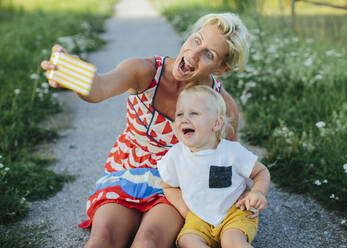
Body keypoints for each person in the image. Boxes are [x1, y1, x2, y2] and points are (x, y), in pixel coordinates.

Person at [41, 13, 251, 248]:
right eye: (197, 40)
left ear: (221, 69)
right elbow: (99, 88)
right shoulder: (144, 70)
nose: (193, 54)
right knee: (103, 238)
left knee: (148, 240)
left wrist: (228, 212)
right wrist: (74, 74)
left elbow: (227, 160)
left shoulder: (221, 104)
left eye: (209, 55)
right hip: (127, 170)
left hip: (176, 185)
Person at [157, 85, 270, 248]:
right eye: (179, 114)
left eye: (194, 113)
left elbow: (261, 172)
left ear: (216, 123)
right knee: (187, 240)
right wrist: (185, 211)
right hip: (199, 216)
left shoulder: (231, 151)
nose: (184, 119)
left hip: (235, 210)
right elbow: (168, 186)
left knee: (232, 241)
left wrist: (257, 192)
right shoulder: (175, 156)